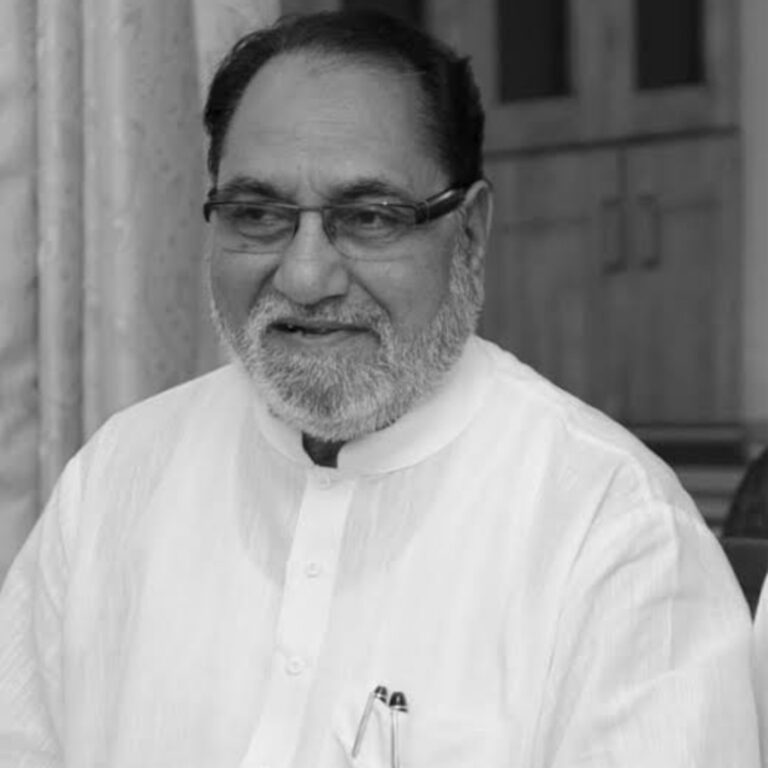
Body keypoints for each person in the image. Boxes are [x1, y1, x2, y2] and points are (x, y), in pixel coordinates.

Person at [0, 10, 759, 768]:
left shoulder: (614, 530)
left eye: (368, 217)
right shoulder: (118, 480)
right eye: (257, 215)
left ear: (469, 231)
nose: (306, 277)